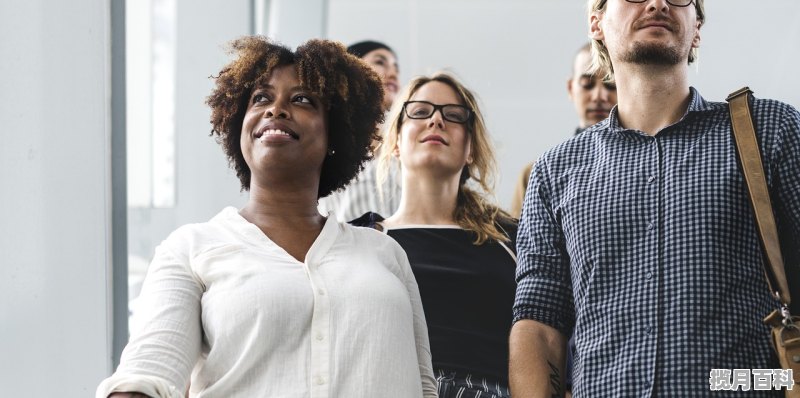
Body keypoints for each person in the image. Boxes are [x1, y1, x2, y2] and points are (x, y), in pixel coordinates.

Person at [96, 36, 437, 398]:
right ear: (238, 127)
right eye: (260, 98)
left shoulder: (384, 254)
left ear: (335, 132)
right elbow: (145, 376)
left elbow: (424, 387)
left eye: (302, 99)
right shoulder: (191, 249)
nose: (275, 109)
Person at [510, 0, 800, 397]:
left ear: (696, 27)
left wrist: (734, 384)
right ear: (596, 23)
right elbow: (538, 324)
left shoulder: (768, 132)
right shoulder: (554, 171)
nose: (659, 3)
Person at [352, 72, 518, 398]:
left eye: (454, 115)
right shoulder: (357, 239)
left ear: (470, 148)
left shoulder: (512, 239)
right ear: (396, 140)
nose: (437, 120)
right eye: (420, 111)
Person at [509, 42, 617, 218]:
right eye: (587, 84)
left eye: (610, 84)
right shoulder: (538, 174)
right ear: (570, 88)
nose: (599, 96)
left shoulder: (646, 166)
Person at [318, 40, 403, 222]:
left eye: (396, 67)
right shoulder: (326, 140)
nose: (393, 73)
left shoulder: (407, 146)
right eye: (380, 62)